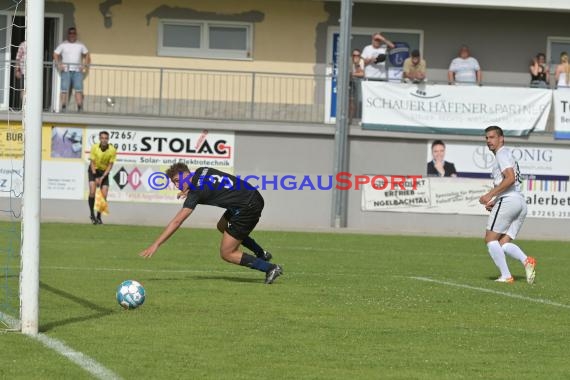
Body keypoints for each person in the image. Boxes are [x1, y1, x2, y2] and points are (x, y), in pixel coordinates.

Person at [139, 163, 283, 285]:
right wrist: (188, 191)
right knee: (221, 226)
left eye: (177, 180)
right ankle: (261, 253)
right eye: (174, 182)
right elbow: (204, 184)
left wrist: (156, 244)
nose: (176, 185)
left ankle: (270, 268)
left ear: (186, 175)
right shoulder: (203, 170)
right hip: (249, 197)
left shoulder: (196, 192)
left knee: (227, 253)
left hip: (247, 207)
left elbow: (177, 221)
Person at [478, 126, 536, 284]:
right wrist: (496, 201)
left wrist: (490, 194)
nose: (489, 141)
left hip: (509, 200)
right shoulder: (507, 154)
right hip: (519, 202)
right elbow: (513, 182)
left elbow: (509, 178)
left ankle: (506, 276)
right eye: (487, 138)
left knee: (490, 239)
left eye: (492, 137)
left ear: (501, 138)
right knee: (502, 244)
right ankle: (527, 261)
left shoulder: (502, 153)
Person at [53, 27, 90, 112]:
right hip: (66, 70)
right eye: (70, 33)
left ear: (76, 34)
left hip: (77, 71)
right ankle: (63, 107)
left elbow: (87, 54)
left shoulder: (80, 45)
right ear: (68, 34)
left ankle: (80, 108)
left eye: (73, 33)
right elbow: (55, 54)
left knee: (78, 89)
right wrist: (59, 64)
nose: (72, 35)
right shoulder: (63, 44)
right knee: (64, 89)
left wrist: (84, 66)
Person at [88, 131, 116, 225]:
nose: (104, 140)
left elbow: (110, 165)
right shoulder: (94, 147)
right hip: (94, 170)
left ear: (108, 139)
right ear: (99, 139)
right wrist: (95, 176)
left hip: (104, 172)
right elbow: (92, 162)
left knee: (103, 195)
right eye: (102, 138)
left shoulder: (112, 149)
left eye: (106, 138)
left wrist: (103, 177)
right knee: (92, 192)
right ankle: (92, 215)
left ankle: (99, 217)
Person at [349, 48, 365, 119]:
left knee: (359, 100)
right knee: (350, 100)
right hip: (350, 82)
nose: (356, 57)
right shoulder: (349, 60)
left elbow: (362, 74)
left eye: (358, 55)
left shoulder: (361, 61)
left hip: (358, 82)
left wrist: (357, 64)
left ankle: (358, 117)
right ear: (352, 56)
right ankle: (350, 118)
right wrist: (353, 74)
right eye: (354, 55)